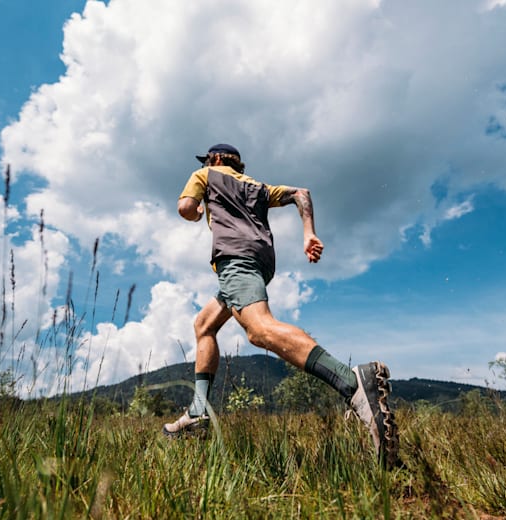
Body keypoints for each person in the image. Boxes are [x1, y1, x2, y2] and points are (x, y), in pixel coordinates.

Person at [163, 143, 398, 466]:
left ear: (215, 159)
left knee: (259, 330)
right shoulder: (258, 187)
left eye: (209, 160)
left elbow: (186, 208)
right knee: (204, 325)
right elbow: (301, 193)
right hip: (261, 261)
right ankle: (198, 411)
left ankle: (352, 382)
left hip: (235, 260)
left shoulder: (205, 174)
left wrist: (197, 211)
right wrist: (308, 233)